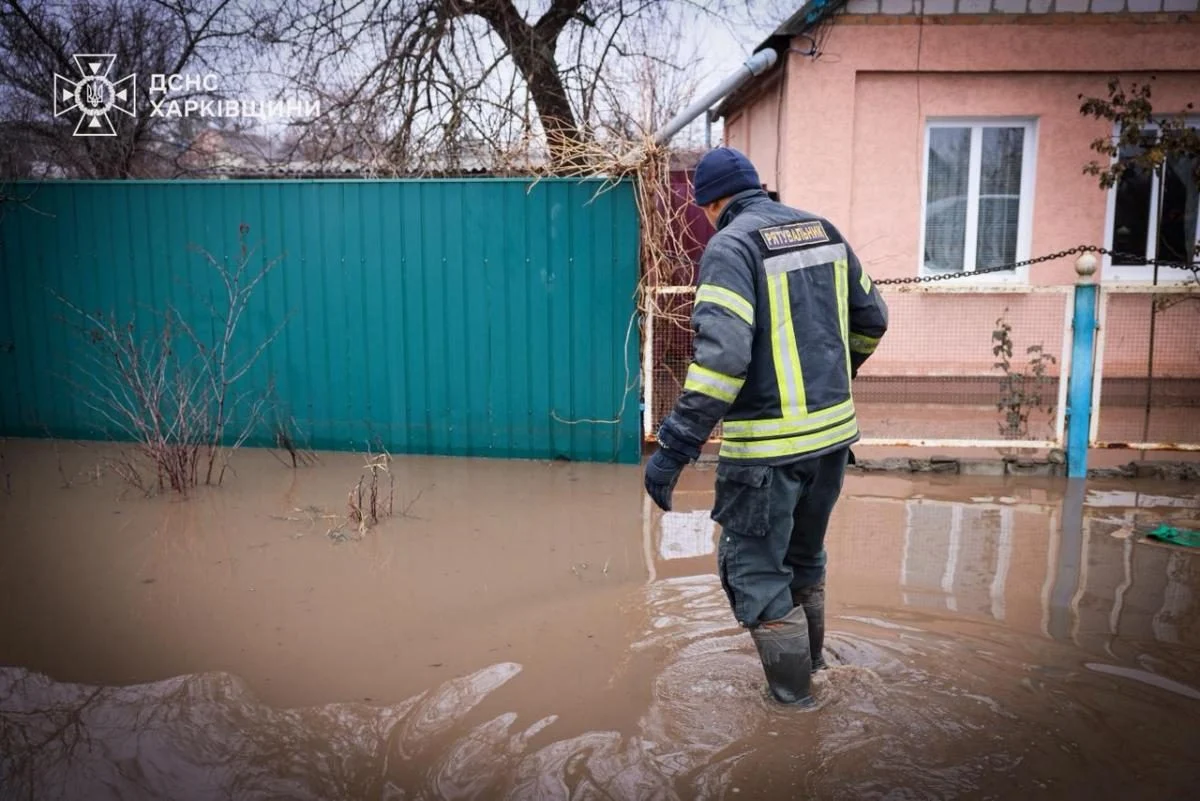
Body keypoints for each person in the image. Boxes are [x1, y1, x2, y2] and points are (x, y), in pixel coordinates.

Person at [643, 147, 888, 707]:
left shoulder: (730, 247)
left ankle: (795, 707)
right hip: (832, 443)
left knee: (754, 572)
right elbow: (873, 320)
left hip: (768, 453)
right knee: (805, 560)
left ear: (710, 205)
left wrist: (674, 449)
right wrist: (836, 372)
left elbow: (721, 362)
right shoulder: (823, 231)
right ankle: (816, 671)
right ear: (757, 187)